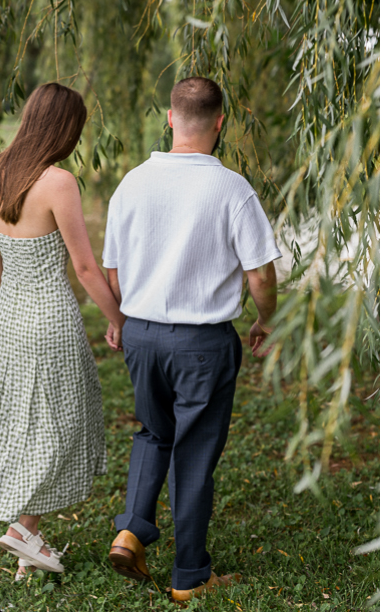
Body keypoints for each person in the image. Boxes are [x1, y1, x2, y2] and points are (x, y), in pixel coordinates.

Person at [102, 77, 280, 603]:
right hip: (202, 343)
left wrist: (127, 319)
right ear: (221, 122)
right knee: (194, 452)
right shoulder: (231, 188)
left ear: (171, 118)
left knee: (154, 433)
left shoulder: (131, 183)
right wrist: (266, 319)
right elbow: (261, 276)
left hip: (141, 335)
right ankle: (189, 576)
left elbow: (111, 269)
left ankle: (132, 527)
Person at [0, 82, 125, 580]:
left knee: (24, 423)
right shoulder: (59, 181)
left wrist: (16, 290)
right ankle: (22, 532)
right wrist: (117, 318)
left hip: (9, 318)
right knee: (62, 424)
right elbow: (84, 268)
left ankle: (27, 552)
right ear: (66, 130)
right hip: (50, 318)